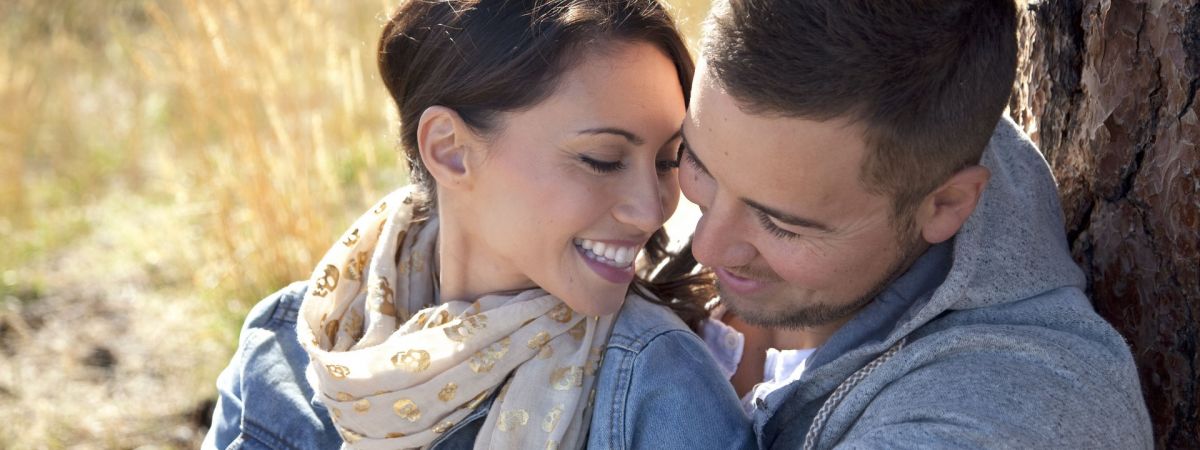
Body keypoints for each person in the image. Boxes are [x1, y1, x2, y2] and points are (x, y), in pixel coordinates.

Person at [202, 0, 755, 448]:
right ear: (450, 151)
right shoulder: (292, 340)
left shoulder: (660, 392)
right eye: (604, 159)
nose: (652, 207)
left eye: (666, 161)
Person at [680, 0, 1154, 448]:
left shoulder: (1010, 419)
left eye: (781, 226)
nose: (705, 247)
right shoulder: (847, 167)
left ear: (945, 204)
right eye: (694, 164)